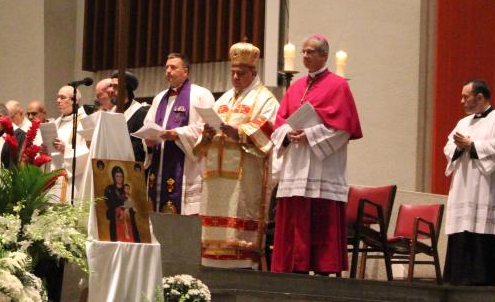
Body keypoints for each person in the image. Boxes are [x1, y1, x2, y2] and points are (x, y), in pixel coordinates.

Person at [270, 35, 362, 275]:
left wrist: (310, 135)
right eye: (303, 52)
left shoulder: (339, 86)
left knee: (321, 218)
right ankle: (295, 266)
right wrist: (289, 135)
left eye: (310, 52)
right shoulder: (296, 86)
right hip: (296, 162)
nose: (305, 56)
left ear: (324, 55)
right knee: (295, 217)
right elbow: (279, 123)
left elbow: (343, 129)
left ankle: (322, 267)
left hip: (322, 166)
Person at [195, 42, 279, 269]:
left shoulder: (265, 99)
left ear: (253, 72)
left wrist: (239, 132)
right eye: (232, 72)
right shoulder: (223, 100)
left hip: (244, 177)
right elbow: (204, 132)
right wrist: (208, 132)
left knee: (238, 222)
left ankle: (241, 266)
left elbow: (269, 129)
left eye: (240, 73)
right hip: (216, 178)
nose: (235, 77)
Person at [442, 80, 495, 286]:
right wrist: (458, 148)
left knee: (485, 229)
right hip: (464, 186)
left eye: (466, 96)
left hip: (488, 187)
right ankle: (459, 280)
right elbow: (448, 147)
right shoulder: (463, 123)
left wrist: (472, 146)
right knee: (463, 228)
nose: (462, 101)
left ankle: (486, 281)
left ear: (480, 97)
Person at [143, 53, 215, 215]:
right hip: (159, 164)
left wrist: (177, 133)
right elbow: (148, 125)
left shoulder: (201, 95)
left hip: (187, 168)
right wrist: (148, 141)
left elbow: (208, 128)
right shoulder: (159, 98)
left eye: (173, 67)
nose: (168, 71)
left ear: (186, 71)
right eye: (166, 67)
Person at [39, 86, 88, 203]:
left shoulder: (84, 122)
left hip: (72, 181)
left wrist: (66, 150)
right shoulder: (56, 122)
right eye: (58, 97)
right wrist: (46, 151)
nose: (58, 100)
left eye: (62, 97)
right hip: (53, 178)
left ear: (74, 100)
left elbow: (89, 152)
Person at [109, 71, 149, 162]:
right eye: (111, 86)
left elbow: (141, 149)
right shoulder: (111, 112)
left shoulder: (140, 114)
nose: (111, 90)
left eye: (115, 87)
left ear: (126, 89)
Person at [104, 165, 141, 243]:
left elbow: (131, 203)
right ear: (113, 177)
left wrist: (127, 208)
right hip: (116, 217)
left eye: (121, 176)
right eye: (117, 176)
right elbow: (110, 203)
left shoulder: (126, 189)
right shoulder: (109, 189)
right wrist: (120, 208)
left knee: (131, 237)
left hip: (128, 218)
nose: (119, 178)